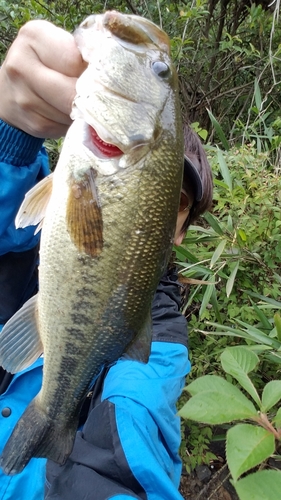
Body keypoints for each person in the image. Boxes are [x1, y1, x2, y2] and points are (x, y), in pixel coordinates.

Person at [0, 19, 213, 500]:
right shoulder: (23, 252)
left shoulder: (161, 345)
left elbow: (135, 432)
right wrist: (10, 140)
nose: (152, 210)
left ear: (177, 231)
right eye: (158, 189)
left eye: (172, 202)